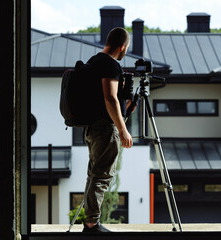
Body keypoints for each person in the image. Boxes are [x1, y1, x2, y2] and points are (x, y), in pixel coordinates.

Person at [82, 27, 134, 233]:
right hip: (105, 128)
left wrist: (127, 105)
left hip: (92, 127)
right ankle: (92, 224)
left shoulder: (93, 61)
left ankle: (90, 222)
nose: (125, 52)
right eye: (126, 49)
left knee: (94, 174)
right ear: (122, 46)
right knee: (102, 175)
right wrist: (123, 130)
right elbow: (110, 97)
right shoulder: (110, 65)